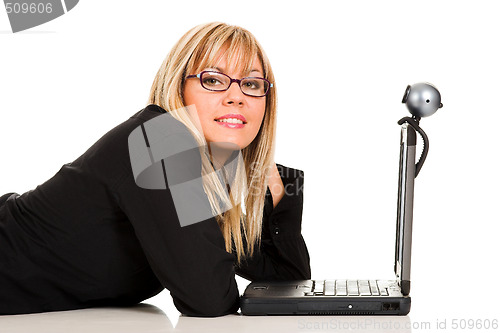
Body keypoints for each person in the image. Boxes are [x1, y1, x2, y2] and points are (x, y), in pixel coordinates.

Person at [0, 22, 311, 317]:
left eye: (252, 84)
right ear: (178, 87)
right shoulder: (159, 141)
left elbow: (288, 282)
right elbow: (209, 298)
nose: (236, 97)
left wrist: (274, 182)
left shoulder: (211, 173)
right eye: (213, 80)